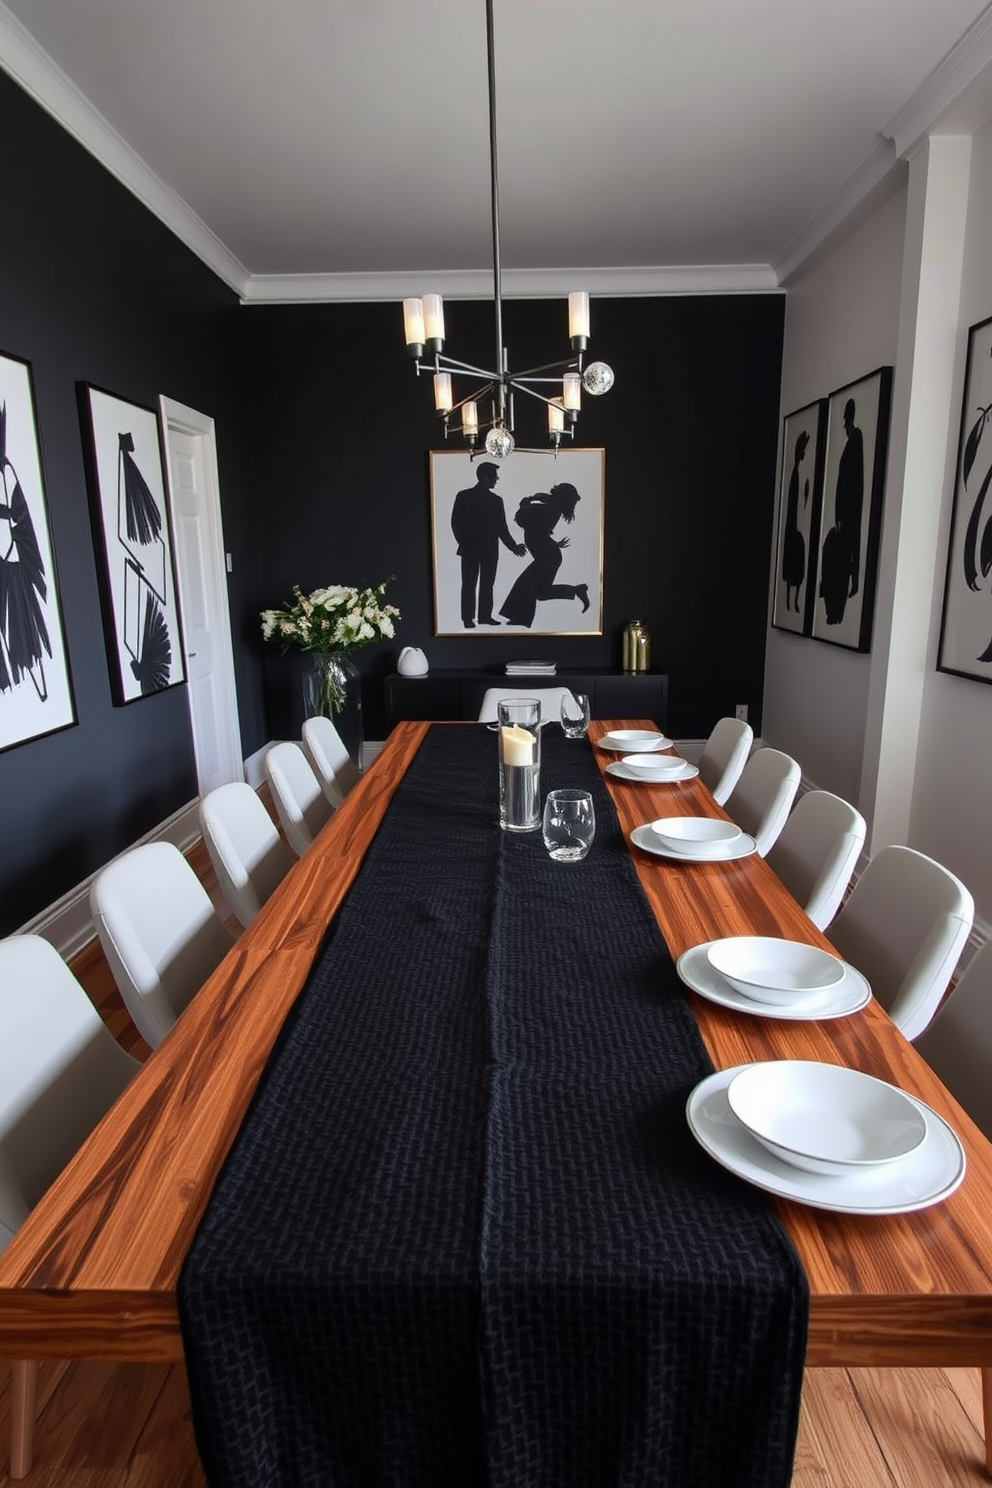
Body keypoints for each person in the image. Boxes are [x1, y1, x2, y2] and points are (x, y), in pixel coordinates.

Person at [499, 482, 590, 629]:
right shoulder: (553, 508)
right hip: (547, 555)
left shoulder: (551, 508)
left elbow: (521, 518)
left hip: (547, 557)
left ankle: (521, 618)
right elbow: (538, 529)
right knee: (538, 591)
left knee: (526, 585)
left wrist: (525, 502)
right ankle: (575, 590)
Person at [449, 461, 525, 628]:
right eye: (494, 476)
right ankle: (469, 618)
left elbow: (501, 528)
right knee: (470, 584)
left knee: (485, 585)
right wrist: (464, 542)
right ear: (485, 477)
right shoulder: (464, 496)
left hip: (487, 550)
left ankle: (483, 616)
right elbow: (455, 523)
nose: (497, 479)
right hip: (474, 549)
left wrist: (514, 547)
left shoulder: (496, 500)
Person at [780, 428, 810, 613]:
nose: (805, 453)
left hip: (794, 528)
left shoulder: (798, 472)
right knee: (795, 561)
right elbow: (795, 505)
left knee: (797, 563)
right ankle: (791, 601)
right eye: (803, 449)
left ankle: (793, 601)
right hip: (793, 527)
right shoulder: (795, 473)